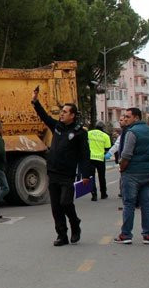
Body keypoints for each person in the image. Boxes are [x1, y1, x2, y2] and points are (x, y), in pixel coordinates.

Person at [31, 88, 91, 246]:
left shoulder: (79, 133)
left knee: (66, 202)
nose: (62, 114)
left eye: (65, 112)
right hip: (53, 172)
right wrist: (35, 101)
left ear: (72, 115)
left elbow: (85, 155)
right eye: (61, 111)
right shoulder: (57, 126)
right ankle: (62, 235)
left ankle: (75, 224)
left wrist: (86, 174)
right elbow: (44, 117)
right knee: (56, 207)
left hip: (67, 174)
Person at [114, 108, 149, 245]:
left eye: (128, 116)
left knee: (129, 204)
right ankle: (147, 235)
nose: (125, 119)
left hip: (132, 174)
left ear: (136, 118)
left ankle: (126, 234)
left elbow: (126, 155)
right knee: (146, 204)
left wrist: (122, 168)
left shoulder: (131, 132)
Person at [87, 121, 112, 201]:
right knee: (102, 177)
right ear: (103, 128)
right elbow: (107, 148)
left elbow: (85, 143)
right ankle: (103, 194)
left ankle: (94, 195)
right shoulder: (105, 136)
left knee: (91, 177)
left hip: (90, 158)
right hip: (100, 159)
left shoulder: (89, 133)